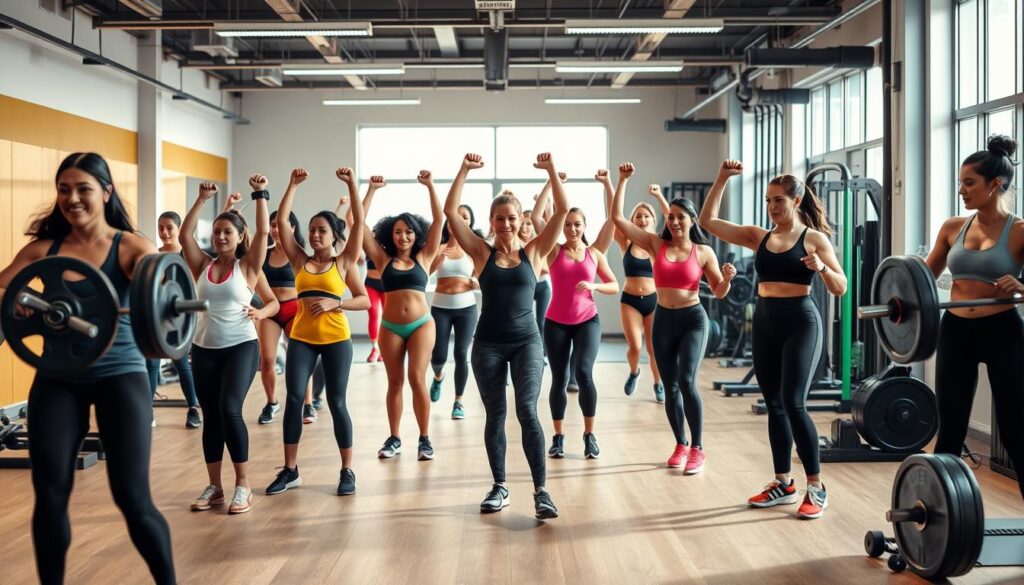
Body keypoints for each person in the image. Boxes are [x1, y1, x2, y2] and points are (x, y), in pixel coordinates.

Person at [0, 152, 176, 583]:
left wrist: (153, 294)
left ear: (106, 192)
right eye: (64, 189)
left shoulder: (132, 248)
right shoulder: (44, 250)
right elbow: (5, 288)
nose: (72, 198)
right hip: (58, 379)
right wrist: (19, 306)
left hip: (121, 376)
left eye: (83, 189)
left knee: (133, 498)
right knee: (51, 495)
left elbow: (159, 289)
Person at [700, 159, 846, 519]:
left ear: (796, 201)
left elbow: (841, 287)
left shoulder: (813, 239)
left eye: (778, 200)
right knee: (774, 404)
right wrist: (721, 178)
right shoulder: (758, 236)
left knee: (794, 402)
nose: (772, 207)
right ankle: (784, 483)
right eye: (768, 200)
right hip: (765, 321)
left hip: (801, 321)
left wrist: (822, 268)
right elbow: (707, 222)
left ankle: (816, 486)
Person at [445, 152, 567, 520]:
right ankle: (500, 486)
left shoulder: (535, 251)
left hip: (527, 341)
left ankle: (541, 492)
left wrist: (549, 172)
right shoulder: (481, 253)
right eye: (500, 219)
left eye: (512, 218)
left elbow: (560, 211)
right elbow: (451, 213)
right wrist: (463, 169)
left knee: (528, 411)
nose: (506, 224)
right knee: (495, 415)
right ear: (491, 221)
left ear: (521, 221)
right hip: (488, 345)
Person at [611, 163, 734, 474]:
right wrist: (622, 180)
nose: (676, 221)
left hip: (693, 319)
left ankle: (698, 448)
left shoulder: (704, 252)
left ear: (692, 220)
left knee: (687, 381)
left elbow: (718, 292)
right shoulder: (656, 244)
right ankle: (680, 443)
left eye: (682, 217)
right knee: (670, 385)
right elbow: (618, 220)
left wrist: (728, 279)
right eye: (672, 217)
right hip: (664, 318)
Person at [924, 134, 1024, 500]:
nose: (961, 190)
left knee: (1015, 430)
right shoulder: (953, 227)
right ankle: (939, 520)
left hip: (1003, 331)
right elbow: (922, 277)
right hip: (956, 331)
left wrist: (1022, 287)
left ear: (994, 184)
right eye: (960, 182)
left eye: (969, 182)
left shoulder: (1018, 231)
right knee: (949, 428)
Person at [265, 167, 369, 497]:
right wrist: (291, 185)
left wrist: (335, 304)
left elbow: (364, 300)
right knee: (295, 398)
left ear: (333, 234)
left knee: (337, 402)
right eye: (311, 230)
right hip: (302, 340)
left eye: (321, 230)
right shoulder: (299, 261)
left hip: (337, 341)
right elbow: (282, 225)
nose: (314, 235)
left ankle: (347, 470)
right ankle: (291, 469)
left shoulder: (344, 261)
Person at [180, 177, 277, 515]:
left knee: (230, 410)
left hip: (240, 347)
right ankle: (215, 487)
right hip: (203, 348)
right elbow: (185, 235)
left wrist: (260, 195)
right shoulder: (202, 265)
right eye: (217, 231)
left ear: (239, 238)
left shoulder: (248, 267)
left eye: (228, 232)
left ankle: (243, 485)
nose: (221, 236)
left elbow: (264, 234)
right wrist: (202, 199)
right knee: (211, 417)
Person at [362, 171, 443, 460]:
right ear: (390, 235)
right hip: (391, 326)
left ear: (415, 234)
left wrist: (430, 186)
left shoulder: (424, 257)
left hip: (422, 324)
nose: (404, 235)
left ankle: (424, 438)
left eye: (408, 231)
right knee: (394, 382)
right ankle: (395, 437)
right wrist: (370, 190)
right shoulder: (383, 259)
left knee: (416, 378)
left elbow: (439, 220)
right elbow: (358, 224)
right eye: (398, 231)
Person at [543, 197, 618, 460]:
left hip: (588, 320)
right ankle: (558, 436)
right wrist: (550, 184)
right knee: (559, 379)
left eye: (577, 224)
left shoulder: (594, 254)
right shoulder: (553, 251)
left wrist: (595, 286)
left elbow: (614, 285)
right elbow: (542, 218)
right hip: (555, 323)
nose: (572, 229)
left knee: (584, 373)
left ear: (584, 226)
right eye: (567, 225)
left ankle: (589, 436)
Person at [604, 171, 670, 402]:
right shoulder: (626, 241)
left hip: (654, 301)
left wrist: (659, 196)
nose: (642, 220)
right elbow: (614, 215)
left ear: (653, 220)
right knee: (634, 346)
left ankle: (658, 383)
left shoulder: (660, 242)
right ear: (633, 222)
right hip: (630, 300)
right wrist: (610, 183)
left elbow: (673, 217)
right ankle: (634, 372)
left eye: (646, 217)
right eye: (638, 217)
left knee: (653, 349)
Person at [255, 210, 319, 426]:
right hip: (270, 310)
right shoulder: (263, 253)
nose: (275, 228)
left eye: (279, 224)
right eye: (272, 225)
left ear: (291, 228)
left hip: (295, 309)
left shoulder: (298, 254)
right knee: (267, 359)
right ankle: (272, 402)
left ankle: (308, 403)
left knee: (300, 359)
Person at [147, 209, 201, 428]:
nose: (164, 231)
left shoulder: (187, 255)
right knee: (151, 364)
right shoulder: (152, 254)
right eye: (161, 227)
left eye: (169, 227)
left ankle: (193, 409)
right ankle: (147, 411)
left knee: (181, 364)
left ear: (179, 229)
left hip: (180, 317)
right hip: (155, 316)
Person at [429, 204, 481, 420]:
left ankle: (458, 401)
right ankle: (439, 376)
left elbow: (483, 278)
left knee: (461, 354)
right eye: (454, 217)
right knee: (438, 355)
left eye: (465, 217)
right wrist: (440, 258)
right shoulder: (439, 247)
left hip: (466, 309)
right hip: (440, 308)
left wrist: (475, 282)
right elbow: (426, 271)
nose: (459, 220)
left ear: (470, 222)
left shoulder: (474, 249)